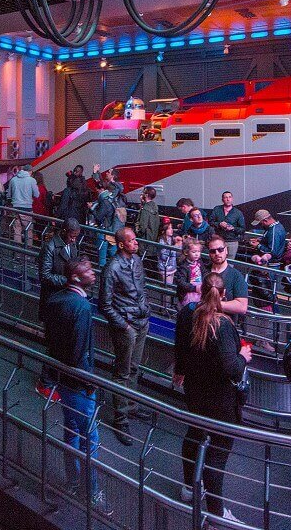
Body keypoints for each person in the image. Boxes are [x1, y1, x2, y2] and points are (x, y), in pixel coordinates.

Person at [172, 274, 251, 524]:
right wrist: (243, 356)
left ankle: (189, 487)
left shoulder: (188, 314)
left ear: (201, 291)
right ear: (224, 295)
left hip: (195, 391)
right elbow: (232, 368)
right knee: (217, 454)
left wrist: (180, 372)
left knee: (194, 434)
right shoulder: (223, 325)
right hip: (220, 398)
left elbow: (181, 348)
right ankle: (215, 514)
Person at [41, 258, 112, 514]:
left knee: (71, 431)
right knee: (89, 437)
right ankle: (91, 491)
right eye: (89, 271)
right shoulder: (81, 307)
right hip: (79, 383)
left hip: (62, 378)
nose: (94, 274)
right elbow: (80, 350)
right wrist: (89, 383)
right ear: (76, 277)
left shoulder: (55, 300)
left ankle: (73, 481)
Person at [99, 228, 151, 445]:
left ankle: (132, 406)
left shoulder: (136, 260)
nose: (136, 243)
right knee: (122, 371)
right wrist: (125, 326)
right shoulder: (112, 268)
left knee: (134, 368)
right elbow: (104, 304)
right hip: (126, 326)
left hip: (141, 321)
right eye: (131, 240)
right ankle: (120, 418)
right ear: (121, 245)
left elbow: (142, 289)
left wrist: (145, 310)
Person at [38, 218, 81, 319]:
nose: (73, 240)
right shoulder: (50, 247)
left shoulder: (72, 244)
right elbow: (44, 276)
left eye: (76, 237)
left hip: (65, 295)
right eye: (72, 236)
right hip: (53, 295)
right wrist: (67, 280)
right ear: (64, 231)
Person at [207, 236, 249, 326]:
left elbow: (242, 307)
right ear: (209, 253)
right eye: (213, 251)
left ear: (226, 250)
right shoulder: (203, 271)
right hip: (203, 323)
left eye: (220, 249)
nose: (217, 253)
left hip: (225, 326)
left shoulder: (236, 276)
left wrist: (213, 304)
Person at [7, 164, 40, 244]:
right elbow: (37, 195)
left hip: (15, 208)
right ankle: (28, 251)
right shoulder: (32, 180)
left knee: (17, 230)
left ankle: (17, 252)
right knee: (28, 230)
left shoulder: (13, 180)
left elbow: (9, 195)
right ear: (31, 171)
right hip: (27, 208)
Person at [208, 192, 246, 259]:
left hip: (232, 242)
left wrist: (233, 228)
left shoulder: (238, 213)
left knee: (230, 263)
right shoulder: (217, 209)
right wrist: (219, 224)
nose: (228, 199)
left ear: (232, 199)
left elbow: (242, 229)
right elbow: (210, 222)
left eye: (230, 197)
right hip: (218, 240)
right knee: (217, 260)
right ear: (222, 199)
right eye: (226, 197)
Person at [92, 181, 118, 267]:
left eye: (96, 189)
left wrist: (92, 209)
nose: (96, 191)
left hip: (103, 231)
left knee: (102, 257)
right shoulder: (111, 198)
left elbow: (99, 216)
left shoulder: (104, 201)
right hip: (111, 229)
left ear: (100, 189)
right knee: (113, 253)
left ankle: (102, 275)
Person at [174, 238, 205, 309]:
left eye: (198, 251)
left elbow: (204, 272)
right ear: (186, 252)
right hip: (189, 292)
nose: (197, 254)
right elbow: (181, 282)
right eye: (194, 252)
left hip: (200, 290)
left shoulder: (199, 262)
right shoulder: (183, 266)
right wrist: (194, 288)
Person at [157, 217, 178, 287]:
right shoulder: (161, 241)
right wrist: (175, 247)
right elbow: (164, 256)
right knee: (167, 289)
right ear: (163, 230)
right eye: (169, 228)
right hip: (165, 268)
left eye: (171, 228)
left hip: (171, 267)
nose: (172, 230)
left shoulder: (170, 238)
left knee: (170, 287)